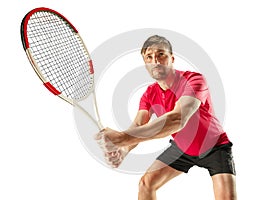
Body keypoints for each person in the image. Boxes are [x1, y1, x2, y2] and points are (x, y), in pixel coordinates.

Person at [95, 35, 237, 200]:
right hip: (182, 148)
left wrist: (121, 138)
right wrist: (123, 149)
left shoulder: (194, 80)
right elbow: (138, 126)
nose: (155, 60)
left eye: (161, 54)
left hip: (214, 147)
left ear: (172, 58)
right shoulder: (149, 94)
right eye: (149, 57)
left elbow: (178, 119)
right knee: (146, 184)